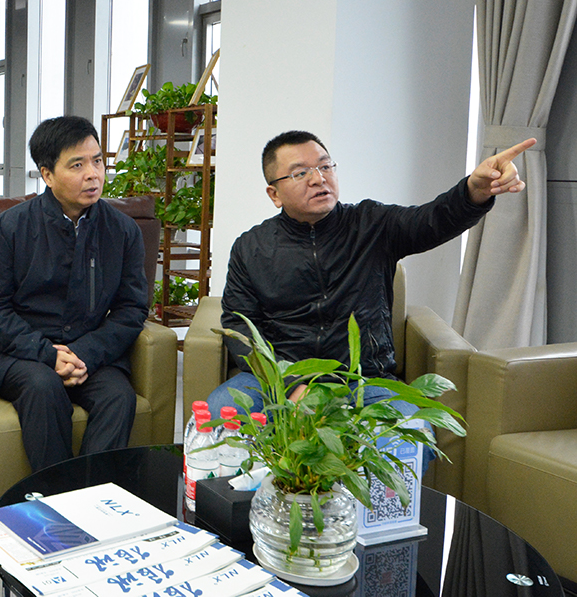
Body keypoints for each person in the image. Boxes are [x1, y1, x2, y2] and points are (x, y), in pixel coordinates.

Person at [208, 129, 534, 415]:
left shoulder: (372, 224)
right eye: (300, 173)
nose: (318, 178)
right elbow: (239, 327)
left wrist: (474, 190)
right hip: (278, 379)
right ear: (274, 194)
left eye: (325, 166)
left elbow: (432, 220)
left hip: (364, 380)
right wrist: (291, 383)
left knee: (409, 433)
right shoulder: (251, 248)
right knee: (218, 413)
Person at [0, 115, 149, 471]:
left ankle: (92, 494)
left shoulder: (123, 230)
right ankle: (57, 494)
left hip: (88, 354)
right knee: (43, 386)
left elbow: (132, 309)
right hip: (16, 355)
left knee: (119, 396)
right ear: (47, 175)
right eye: (77, 165)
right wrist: (47, 354)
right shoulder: (9, 228)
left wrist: (84, 352)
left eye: (97, 161)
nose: (93, 174)